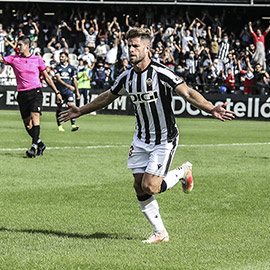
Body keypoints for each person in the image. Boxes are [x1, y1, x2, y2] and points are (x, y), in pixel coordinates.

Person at [59, 27, 235, 243]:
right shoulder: (127, 77)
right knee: (138, 185)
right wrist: (81, 110)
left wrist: (210, 108)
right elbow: (106, 97)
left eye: (135, 46)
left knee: (150, 186)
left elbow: (187, 92)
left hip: (164, 137)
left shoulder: (161, 73)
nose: (131, 50)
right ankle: (160, 232)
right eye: (129, 45)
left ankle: (181, 171)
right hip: (141, 138)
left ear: (147, 48)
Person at [0, 35, 62, 157]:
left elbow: (47, 77)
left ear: (27, 46)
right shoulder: (13, 59)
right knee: (28, 125)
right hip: (22, 94)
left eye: (20, 45)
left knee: (35, 116)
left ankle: (33, 147)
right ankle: (40, 144)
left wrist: (57, 92)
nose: (17, 47)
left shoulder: (37, 59)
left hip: (35, 92)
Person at [54, 51, 80, 132]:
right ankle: (59, 125)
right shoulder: (57, 67)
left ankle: (73, 124)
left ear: (67, 58)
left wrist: (77, 91)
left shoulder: (72, 68)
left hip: (69, 92)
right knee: (59, 107)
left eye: (62, 57)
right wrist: (68, 86)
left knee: (72, 105)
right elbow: (58, 79)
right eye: (60, 57)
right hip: (60, 91)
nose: (61, 58)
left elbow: (75, 80)